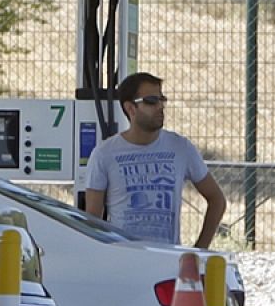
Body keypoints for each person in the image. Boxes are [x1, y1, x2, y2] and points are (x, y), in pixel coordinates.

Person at [85, 72, 226, 249]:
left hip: (167, 260)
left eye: (162, 99)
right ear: (131, 109)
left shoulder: (181, 148)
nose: (160, 106)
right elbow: (92, 220)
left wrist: (198, 250)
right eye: (151, 101)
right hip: (123, 260)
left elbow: (217, 199)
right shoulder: (104, 154)